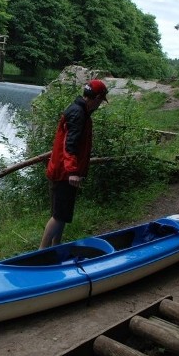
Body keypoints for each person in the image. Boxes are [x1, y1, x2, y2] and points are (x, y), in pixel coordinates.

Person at [39, 79, 108, 249]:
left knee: (63, 214)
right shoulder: (78, 113)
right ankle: (41, 252)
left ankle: (56, 247)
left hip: (62, 170)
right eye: (101, 100)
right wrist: (72, 172)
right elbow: (69, 145)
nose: (100, 105)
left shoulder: (80, 110)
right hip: (64, 173)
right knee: (59, 215)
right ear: (97, 97)